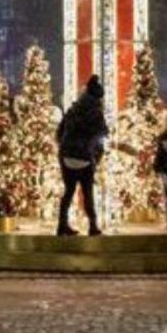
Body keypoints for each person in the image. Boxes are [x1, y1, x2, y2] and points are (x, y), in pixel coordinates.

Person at [55, 75, 109, 237]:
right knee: (87, 192)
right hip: (85, 157)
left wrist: (64, 147)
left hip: (66, 156)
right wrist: (96, 154)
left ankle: (62, 225)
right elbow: (102, 133)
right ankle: (93, 226)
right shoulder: (96, 113)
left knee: (69, 191)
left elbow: (59, 132)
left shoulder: (73, 109)